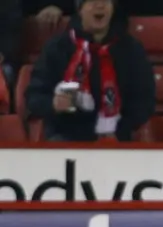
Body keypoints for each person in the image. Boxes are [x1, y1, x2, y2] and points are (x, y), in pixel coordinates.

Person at [25, 0, 155, 141]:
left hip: (117, 139)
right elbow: (34, 97)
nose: (100, 5)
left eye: (106, 1)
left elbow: (144, 100)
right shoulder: (57, 48)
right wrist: (53, 104)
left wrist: (121, 129)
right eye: (92, 1)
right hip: (65, 136)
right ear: (80, 9)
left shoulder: (131, 49)